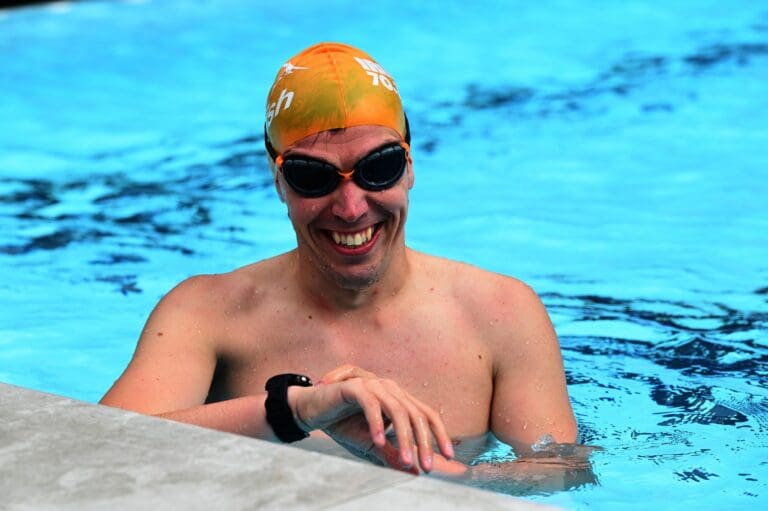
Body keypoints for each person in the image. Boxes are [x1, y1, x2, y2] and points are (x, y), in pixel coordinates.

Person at [100, 42, 590, 485]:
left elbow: (564, 473)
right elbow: (93, 444)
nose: (351, 208)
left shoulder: (499, 312)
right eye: (313, 177)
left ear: (410, 165)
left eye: (379, 168)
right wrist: (295, 411)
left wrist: (442, 480)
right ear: (279, 183)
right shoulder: (207, 314)